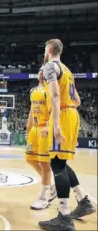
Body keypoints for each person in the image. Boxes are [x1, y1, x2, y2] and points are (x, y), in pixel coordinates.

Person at [38, 39, 96, 231]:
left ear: (49, 50)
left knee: (56, 163)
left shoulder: (49, 67)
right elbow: (77, 100)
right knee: (61, 161)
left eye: (45, 49)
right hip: (72, 114)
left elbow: (55, 96)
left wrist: (54, 122)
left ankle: (64, 216)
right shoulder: (68, 71)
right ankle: (83, 201)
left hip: (62, 115)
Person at [25, 67, 57, 210]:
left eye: (43, 71)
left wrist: (49, 126)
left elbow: (54, 110)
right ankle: (52, 186)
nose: (41, 73)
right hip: (34, 129)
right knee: (30, 159)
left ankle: (44, 197)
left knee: (44, 163)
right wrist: (28, 128)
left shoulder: (49, 90)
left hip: (45, 128)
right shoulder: (33, 91)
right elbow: (32, 111)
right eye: (40, 70)